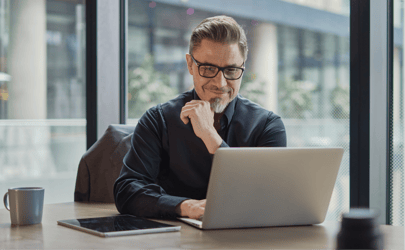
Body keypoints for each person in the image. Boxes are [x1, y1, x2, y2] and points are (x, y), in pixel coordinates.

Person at [114, 15, 287, 220]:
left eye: (231, 70)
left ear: (243, 67)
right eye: (208, 69)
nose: (221, 83)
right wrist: (185, 207)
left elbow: (269, 197)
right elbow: (127, 191)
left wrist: (210, 136)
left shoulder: (268, 126)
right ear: (190, 65)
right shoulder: (158, 120)